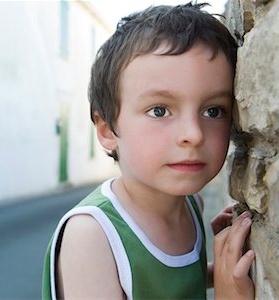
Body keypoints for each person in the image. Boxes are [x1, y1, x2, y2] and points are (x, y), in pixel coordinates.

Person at [42, 2, 255, 299]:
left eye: (213, 111)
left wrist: (221, 269)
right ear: (107, 130)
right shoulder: (92, 237)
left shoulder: (191, 205)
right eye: (159, 110)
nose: (193, 135)